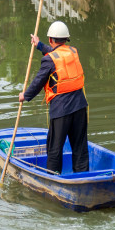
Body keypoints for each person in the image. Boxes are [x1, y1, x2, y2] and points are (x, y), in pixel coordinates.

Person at [18, 21, 89, 174]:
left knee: (55, 148)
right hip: (80, 107)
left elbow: (38, 82)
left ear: (51, 39)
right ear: (66, 39)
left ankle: (52, 177)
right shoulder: (73, 52)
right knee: (80, 147)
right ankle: (83, 177)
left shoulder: (49, 60)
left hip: (61, 110)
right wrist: (39, 45)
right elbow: (57, 54)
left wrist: (25, 95)